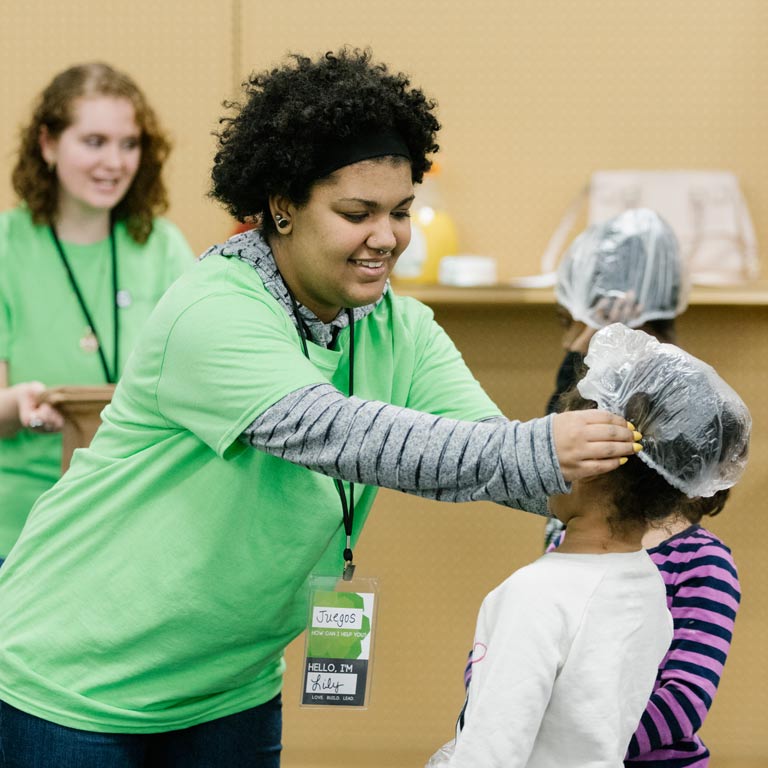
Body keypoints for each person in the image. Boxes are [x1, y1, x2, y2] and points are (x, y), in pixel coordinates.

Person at [0, 48, 638, 767]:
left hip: (229, 690)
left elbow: (499, 460)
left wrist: (647, 443)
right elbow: (335, 432)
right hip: (75, 682)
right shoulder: (213, 310)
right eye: (356, 213)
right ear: (281, 205)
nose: (387, 237)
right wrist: (539, 447)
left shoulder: (400, 329)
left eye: (401, 213)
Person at [428, 323, 750, 768]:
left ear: (593, 465)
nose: (541, 456)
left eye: (555, 442)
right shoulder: (644, 583)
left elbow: (491, 749)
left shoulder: (533, 595)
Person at [0, 62, 193, 560]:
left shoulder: (162, 246)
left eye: (129, 144)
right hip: (20, 528)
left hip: (130, 520)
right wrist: (18, 406)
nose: (115, 162)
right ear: (47, 144)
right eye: (94, 141)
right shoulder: (6, 246)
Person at [544, 207, 686, 547]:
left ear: (623, 306)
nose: (570, 342)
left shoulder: (643, 389)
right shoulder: (679, 377)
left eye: (572, 321)